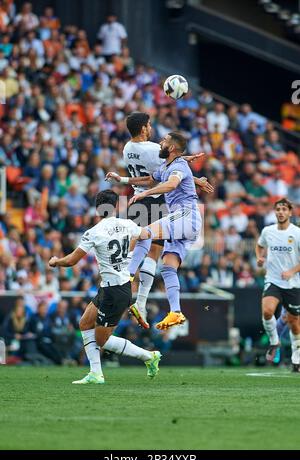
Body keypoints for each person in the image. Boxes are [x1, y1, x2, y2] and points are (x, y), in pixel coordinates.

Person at [111, 112, 213, 329]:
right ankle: (175, 312)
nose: (160, 140)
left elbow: (172, 184)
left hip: (185, 216)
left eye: (165, 140)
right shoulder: (167, 165)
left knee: (144, 233)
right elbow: (150, 178)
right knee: (167, 267)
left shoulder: (171, 166)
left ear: (172, 148)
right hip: (183, 222)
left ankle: (127, 277)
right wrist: (123, 180)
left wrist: (143, 194)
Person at [49, 190, 161, 384]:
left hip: (115, 292)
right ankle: (96, 373)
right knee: (85, 323)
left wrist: (56, 261)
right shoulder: (127, 224)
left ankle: (149, 357)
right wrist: (131, 251)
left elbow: (71, 261)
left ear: (97, 209)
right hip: (113, 287)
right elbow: (146, 234)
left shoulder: (94, 232)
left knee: (103, 340)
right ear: (116, 206)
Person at [256, 198, 300, 372]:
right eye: (278, 209)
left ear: (290, 212)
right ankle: (274, 342)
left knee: (294, 323)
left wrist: (292, 271)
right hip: (273, 280)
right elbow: (259, 246)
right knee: (267, 311)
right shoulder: (268, 231)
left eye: (284, 209)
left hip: (293, 283)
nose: (280, 212)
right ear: (274, 212)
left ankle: (297, 359)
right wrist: (259, 257)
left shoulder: (297, 233)